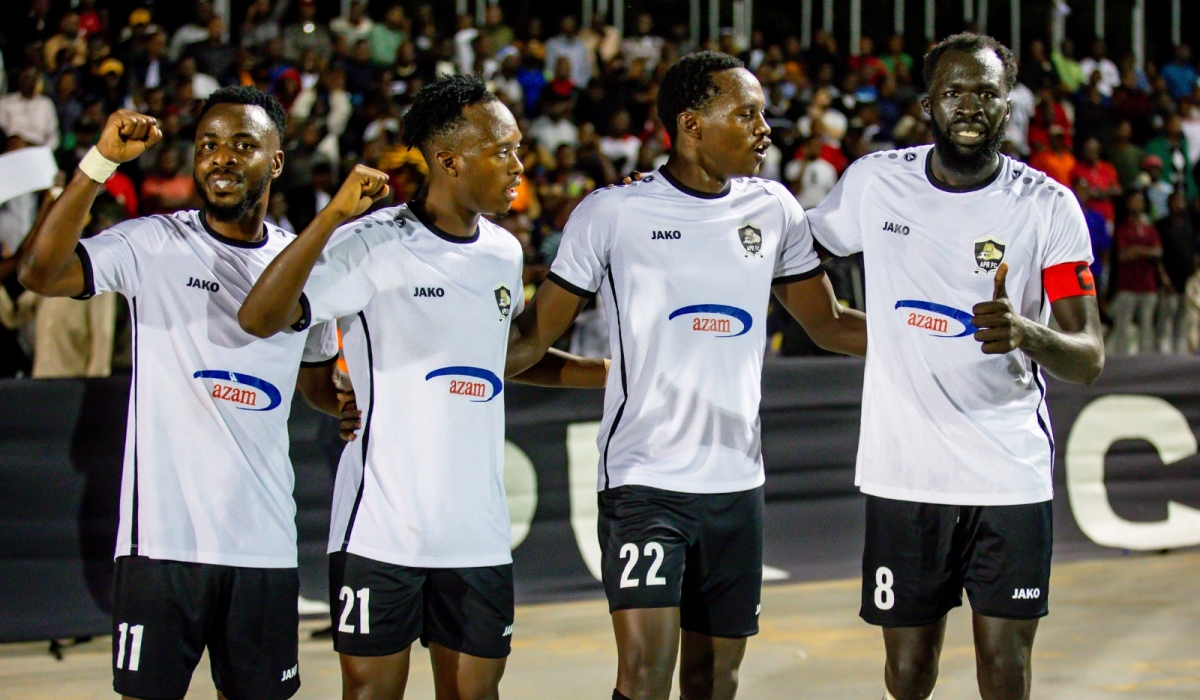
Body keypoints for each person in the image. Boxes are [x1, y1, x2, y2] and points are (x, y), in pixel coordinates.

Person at [504, 51, 867, 700]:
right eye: (748, 114)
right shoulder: (611, 214)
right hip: (646, 482)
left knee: (715, 679)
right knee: (645, 678)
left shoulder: (775, 209)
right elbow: (528, 342)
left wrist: (941, 337)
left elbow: (830, 325)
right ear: (693, 125)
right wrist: (409, 374)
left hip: (737, 485)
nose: (766, 130)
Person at [238, 76, 607, 700]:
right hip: (382, 529)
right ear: (448, 160)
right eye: (503, 150)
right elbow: (260, 317)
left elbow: (499, 354)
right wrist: (332, 217)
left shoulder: (502, 250)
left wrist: (608, 374)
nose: (520, 164)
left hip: (479, 532)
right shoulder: (372, 244)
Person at [16, 86, 370, 700]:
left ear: (276, 162)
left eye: (242, 144)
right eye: (207, 145)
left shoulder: (305, 263)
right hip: (161, 544)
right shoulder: (152, 244)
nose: (221, 158)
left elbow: (314, 381)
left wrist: (342, 399)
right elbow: (40, 272)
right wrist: (100, 163)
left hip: (261, 544)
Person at [806, 34, 1104, 700]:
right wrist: (828, 324)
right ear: (928, 104)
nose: (971, 104)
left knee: (1004, 671)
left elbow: (1089, 357)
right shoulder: (876, 182)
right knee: (908, 674)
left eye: (987, 92)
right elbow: (796, 246)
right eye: (955, 91)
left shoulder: (1047, 206)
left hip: (1008, 475)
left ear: (1008, 107)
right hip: (903, 474)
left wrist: (1029, 332)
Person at [1108, 190, 1162, 355]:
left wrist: (1137, 250)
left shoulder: (1149, 228)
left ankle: (1146, 362)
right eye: (1133, 200)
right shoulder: (1123, 228)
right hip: (1127, 285)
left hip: (1148, 284)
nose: (1136, 204)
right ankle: (1120, 361)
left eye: (1139, 201)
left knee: (1147, 327)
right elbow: (1123, 255)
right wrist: (1146, 251)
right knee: (1123, 326)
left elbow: (1158, 251)